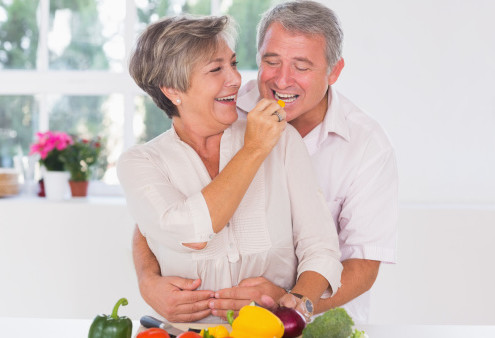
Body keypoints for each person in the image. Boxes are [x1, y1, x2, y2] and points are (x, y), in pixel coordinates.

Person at [132, 0, 398, 324]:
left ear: (334, 71)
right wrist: (148, 282)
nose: (282, 81)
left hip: (315, 323)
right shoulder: (224, 108)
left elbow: (362, 263)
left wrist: (288, 306)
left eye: (301, 67)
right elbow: (159, 213)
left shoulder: (367, 146)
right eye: (271, 62)